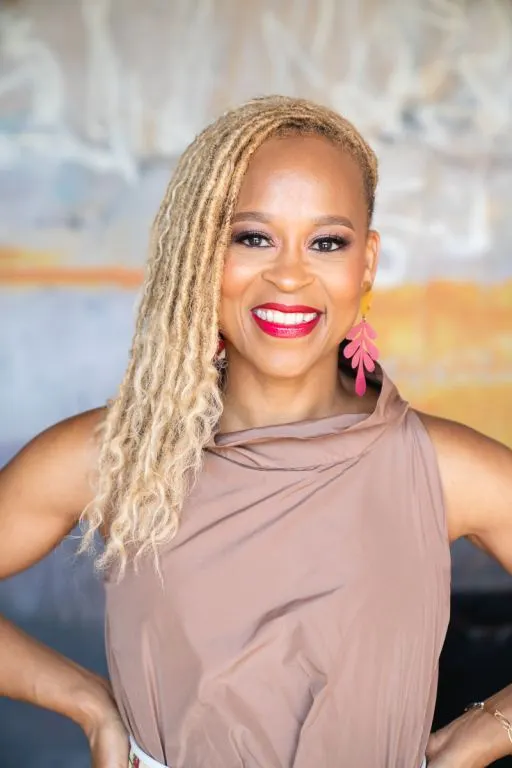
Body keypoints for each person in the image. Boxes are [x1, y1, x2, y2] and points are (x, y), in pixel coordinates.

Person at [1, 95, 511, 768]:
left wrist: (481, 736)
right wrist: (87, 703)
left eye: (327, 242)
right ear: (202, 254)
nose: (291, 275)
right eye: (252, 237)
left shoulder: (447, 470)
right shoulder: (114, 457)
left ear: (367, 264)